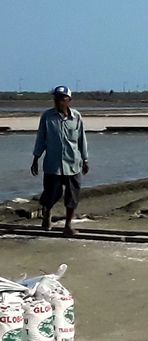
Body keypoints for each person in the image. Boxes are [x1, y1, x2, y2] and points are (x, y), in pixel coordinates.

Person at [30, 86, 89, 235]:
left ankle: (68, 225)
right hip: (53, 164)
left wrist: (85, 159)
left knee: (73, 195)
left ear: (69, 100)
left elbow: (82, 139)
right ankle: (47, 215)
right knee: (51, 193)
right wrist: (36, 158)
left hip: (73, 163)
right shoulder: (47, 117)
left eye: (62, 98)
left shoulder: (76, 117)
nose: (58, 101)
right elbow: (41, 139)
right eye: (56, 98)